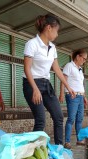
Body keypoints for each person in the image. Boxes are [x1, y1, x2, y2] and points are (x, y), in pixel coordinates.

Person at [23, 14, 75, 145]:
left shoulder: (53, 48)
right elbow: (27, 69)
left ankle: (59, 148)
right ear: (48, 28)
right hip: (31, 84)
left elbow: (57, 69)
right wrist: (35, 89)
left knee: (58, 117)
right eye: (56, 30)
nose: (57, 34)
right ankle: (31, 150)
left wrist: (68, 87)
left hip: (46, 85)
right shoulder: (32, 44)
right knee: (41, 120)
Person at [59, 49, 88, 149]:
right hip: (72, 96)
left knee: (79, 119)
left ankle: (79, 140)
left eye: (85, 59)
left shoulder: (80, 70)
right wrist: (61, 94)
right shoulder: (69, 66)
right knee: (71, 119)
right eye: (83, 58)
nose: (84, 61)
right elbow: (63, 80)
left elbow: (81, 85)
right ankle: (67, 142)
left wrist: (85, 97)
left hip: (80, 96)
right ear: (77, 56)